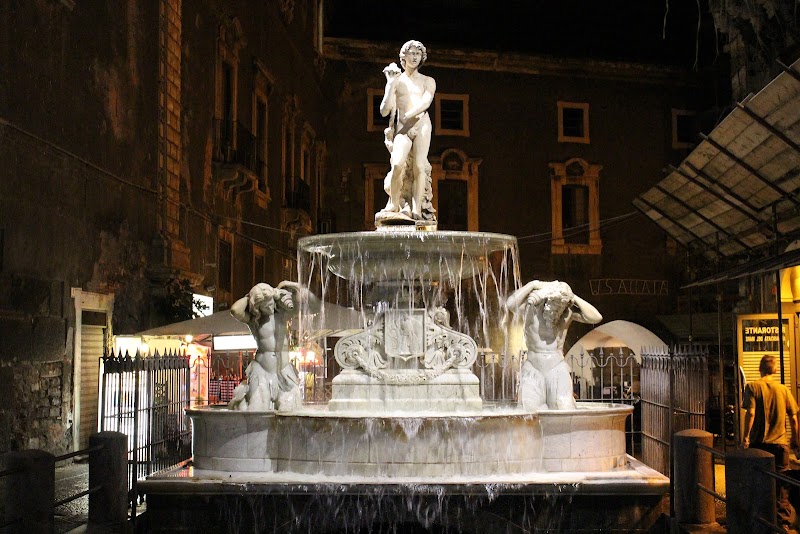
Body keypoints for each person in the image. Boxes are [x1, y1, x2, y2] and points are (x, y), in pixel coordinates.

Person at [505, 280, 602, 410]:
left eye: (560, 306)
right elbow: (510, 304)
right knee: (528, 409)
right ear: (546, 301)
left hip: (556, 367)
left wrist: (572, 296)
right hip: (534, 367)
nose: (557, 310)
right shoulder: (530, 309)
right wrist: (532, 285)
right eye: (554, 305)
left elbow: (596, 317)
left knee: (562, 406)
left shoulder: (567, 314)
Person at [228, 281, 318, 412]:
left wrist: (292, 285)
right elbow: (235, 310)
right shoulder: (254, 320)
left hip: (284, 371)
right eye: (265, 306)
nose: (269, 307)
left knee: (291, 411)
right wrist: (250, 296)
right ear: (257, 307)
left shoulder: (284, 314)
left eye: (270, 302)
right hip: (262, 370)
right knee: (257, 410)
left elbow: (314, 306)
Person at [377, 39, 436, 222]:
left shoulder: (428, 81)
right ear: (404, 56)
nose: (415, 57)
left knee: (419, 166)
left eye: (418, 54)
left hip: (421, 123)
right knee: (397, 164)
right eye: (411, 53)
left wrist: (408, 115)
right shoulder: (397, 80)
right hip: (403, 128)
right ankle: (394, 204)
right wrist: (389, 85)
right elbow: (384, 110)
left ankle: (416, 209)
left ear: (422, 58)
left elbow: (426, 102)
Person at [742, 354, 800, 531]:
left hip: (759, 445)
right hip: (780, 445)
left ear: (760, 368)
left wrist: (745, 438)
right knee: (781, 484)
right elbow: (794, 417)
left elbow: (750, 413)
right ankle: (782, 524)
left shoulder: (752, 387)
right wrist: (795, 441)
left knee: (758, 482)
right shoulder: (783, 390)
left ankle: (760, 520)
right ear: (774, 370)